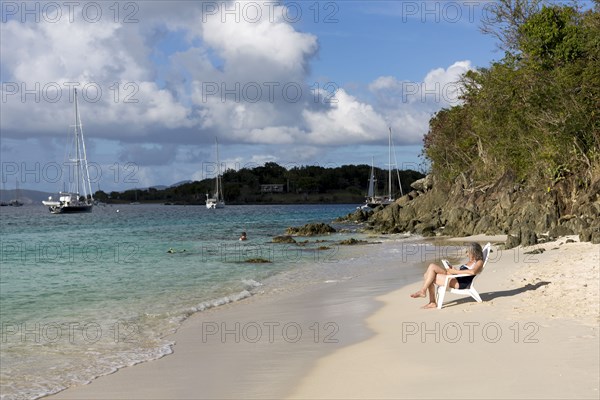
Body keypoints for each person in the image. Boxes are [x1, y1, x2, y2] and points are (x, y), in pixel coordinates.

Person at [410, 242, 484, 309]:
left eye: (468, 252)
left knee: (428, 276)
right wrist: (453, 270)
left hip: (460, 283)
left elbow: (473, 272)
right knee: (431, 267)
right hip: (455, 277)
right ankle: (425, 293)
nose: (467, 254)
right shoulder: (470, 261)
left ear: (474, 252)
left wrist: (455, 271)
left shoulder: (479, 262)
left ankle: (429, 299)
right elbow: (465, 273)